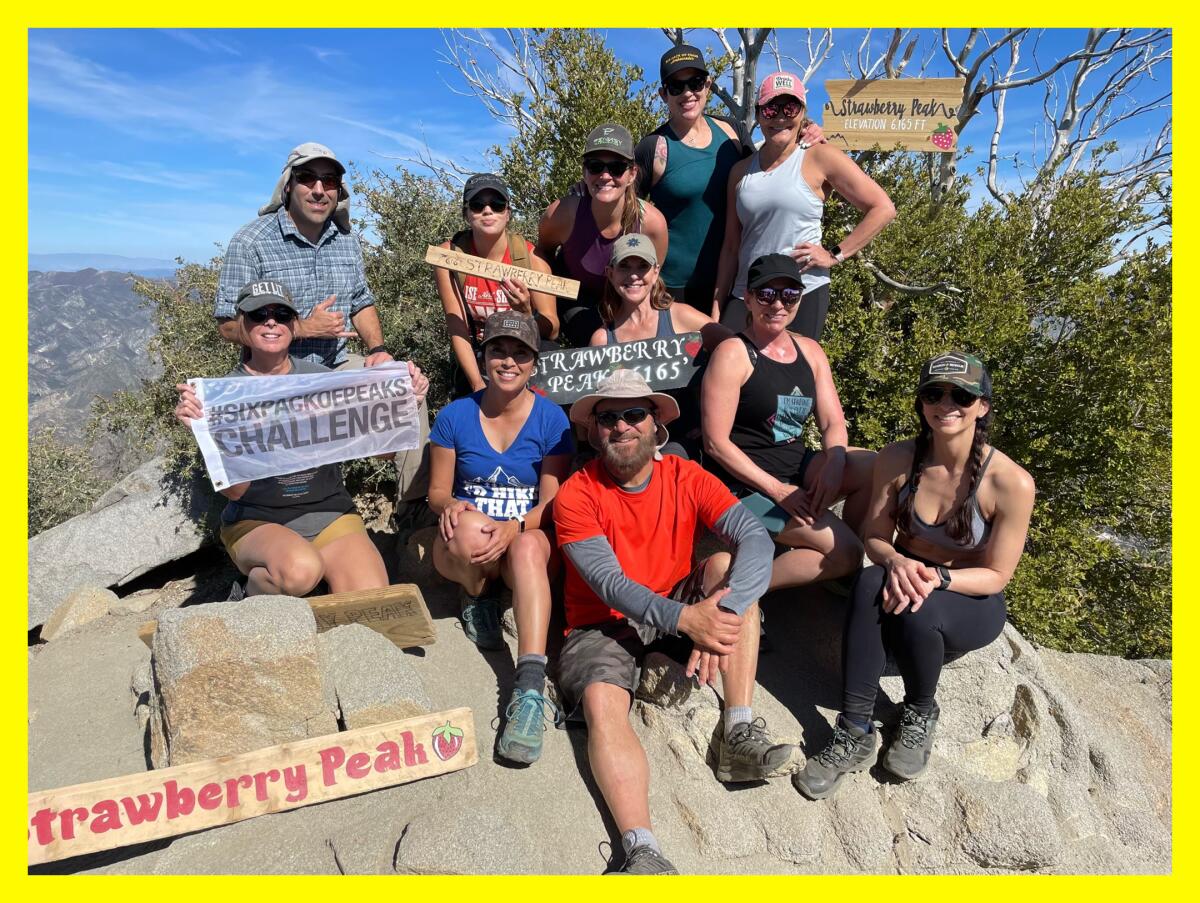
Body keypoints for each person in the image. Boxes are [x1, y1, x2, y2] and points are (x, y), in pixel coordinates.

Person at [554, 369, 787, 875]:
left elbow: (757, 539)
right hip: (602, 623)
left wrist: (718, 613)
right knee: (600, 701)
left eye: (634, 413)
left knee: (729, 573)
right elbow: (609, 586)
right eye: (608, 417)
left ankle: (738, 734)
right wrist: (688, 620)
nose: (621, 426)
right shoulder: (576, 494)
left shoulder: (687, 477)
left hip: (676, 608)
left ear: (655, 423)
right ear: (594, 430)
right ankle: (643, 849)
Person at [793, 352, 1035, 800]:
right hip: (906, 575)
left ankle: (920, 710)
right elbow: (876, 536)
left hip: (969, 597)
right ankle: (854, 729)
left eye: (962, 395)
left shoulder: (1010, 483)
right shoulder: (898, 459)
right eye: (933, 394)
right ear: (921, 403)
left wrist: (937, 579)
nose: (947, 405)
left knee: (918, 610)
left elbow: (997, 575)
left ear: (982, 406)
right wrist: (896, 562)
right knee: (868, 583)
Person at [175, 280, 429, 598]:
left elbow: (382, 456)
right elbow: (235, 492)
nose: (271, 321)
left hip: (330, 513)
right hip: (257, 519)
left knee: (369, 597)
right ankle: (248, 593)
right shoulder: (222, 396)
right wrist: (205, 434)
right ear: (242, 325)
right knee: (299, 572)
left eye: (281, 315)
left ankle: (313, 580)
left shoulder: (322, 380)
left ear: (294, 325)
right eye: (258, 315)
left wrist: (404, 407)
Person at [213, 141, 430, 504]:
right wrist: (301, 328)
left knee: (406, 390)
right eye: (307, 178)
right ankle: (266, 517)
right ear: (288, 186)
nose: (318, 189)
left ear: (338, 191)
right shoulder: (251, 242)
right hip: (278, 375)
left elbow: (361, 301)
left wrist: (377, 350)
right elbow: (226, 326)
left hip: (337, 366)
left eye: (329, 181)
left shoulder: (345, 240)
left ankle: (414, 510)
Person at [427, 312, 573, 764]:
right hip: (473, 540)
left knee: (530, 543)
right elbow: (436, 490)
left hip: (522, 542)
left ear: (534, 362)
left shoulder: (553, 420)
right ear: (483, 355)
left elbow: (552, 501)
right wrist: (449, 505)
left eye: (520, 353)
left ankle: (528, 688)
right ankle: (477, 597)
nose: (508, 361)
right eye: (498, 350)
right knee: (466, 527)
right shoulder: (455, 415)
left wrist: (516, 526)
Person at [702, 254, 875, 594]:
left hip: (796, 466)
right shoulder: (733, 353)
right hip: (743, 485)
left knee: (874, 465)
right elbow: (715, 444)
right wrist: (779, 491)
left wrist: (836, 459)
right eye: (766, 294)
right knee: (848, 553)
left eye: (789, 295)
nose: (777, 304)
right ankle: (739, 593)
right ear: (749, 298)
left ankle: (840, 558)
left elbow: (832, 420)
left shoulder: (809, 350)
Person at [634, 45, 822, 314]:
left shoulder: (732, 132)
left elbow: (770, 170)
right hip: (673, 287)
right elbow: (622, 207)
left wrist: (806, 130)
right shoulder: (653, 148)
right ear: (664, 94)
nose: (688, 93)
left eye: (696, 83)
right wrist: (583, 190)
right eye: (677, 86)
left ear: (708, 85)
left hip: (736, 282)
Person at [714, 72, 896, 340]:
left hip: (800, 293)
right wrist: (717, 310)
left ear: (802, 113)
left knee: (792, 378)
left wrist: (834, 254)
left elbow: (883, 207)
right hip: (747, 293)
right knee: (728, 367)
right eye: (771, 108)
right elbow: (731, 245)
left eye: (790, 107)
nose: (780, 117)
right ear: (759, 113)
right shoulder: (740, 172)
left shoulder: (820, 156)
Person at [589, 233, 728, 460]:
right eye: (624, 266)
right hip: (629, 448)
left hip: (682, 443)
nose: (634, 275)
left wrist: (713, 422)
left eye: (642, 266)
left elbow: (736, 351)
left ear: (655, 272)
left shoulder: (681, 317)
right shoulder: (602, 339)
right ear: (610, 273)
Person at [538, 123, 669, 346]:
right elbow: (541, 253)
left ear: (632, 174)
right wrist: (547, 311)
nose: (605, 176)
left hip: (626, 299)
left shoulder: (651, 224)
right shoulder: (562, 214)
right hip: (577, 301)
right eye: (595, 166)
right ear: (584, 172)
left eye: (617, 168)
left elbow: (651, 278)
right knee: (597, 339)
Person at [434, 173, 560, 397]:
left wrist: (526, 312)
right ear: (466, 214)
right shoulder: (449, 257)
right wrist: (477, 386)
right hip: (480, 355)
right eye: (477, 205)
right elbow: (458, 327)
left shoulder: (532, 258)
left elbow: (553, 329)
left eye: (497, 204)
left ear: (508, 213)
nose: (488, 210)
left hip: (522, 351)